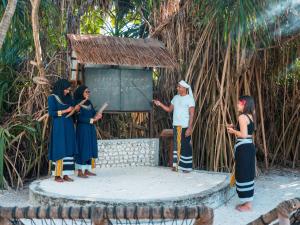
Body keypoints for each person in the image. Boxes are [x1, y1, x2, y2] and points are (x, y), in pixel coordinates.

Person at [153, 80, 195, 173]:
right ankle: (176, 166)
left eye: (179, 87)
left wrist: (189, 127)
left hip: (184, 126)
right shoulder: (175, 98)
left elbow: (192, 114)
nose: (177, 88)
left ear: (184, 88)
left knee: (185, 146)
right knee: (177, 145)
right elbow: (169, 109)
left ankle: (186, 168)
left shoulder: (190, 99)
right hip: (176, 125)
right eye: (178, 87)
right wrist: (159, 104)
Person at [227, 95, 256, 212]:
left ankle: (248, 206)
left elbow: (243, 134)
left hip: (243, 148)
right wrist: (234, 127)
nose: (237, 105)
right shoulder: (250, 116)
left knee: (243, 173)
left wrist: (233, 131)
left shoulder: (242, 117)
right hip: (248, 147)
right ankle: (248, 202)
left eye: (239, 103)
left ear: (244, 104)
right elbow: (247, 131)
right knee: (247, 172)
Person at [48, 79, 79, 182]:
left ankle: (66, 174)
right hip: (59, 126)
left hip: (69, 125)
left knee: (68, 147)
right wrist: (65, 110)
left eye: (69, 90)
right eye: (66, 89)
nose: (67, 91)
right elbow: (52, 113)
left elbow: (73, 109)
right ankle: (57, 175)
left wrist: (76, 109)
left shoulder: (69, 98)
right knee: (60, 147)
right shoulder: (52, 98)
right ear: (61, 88)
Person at [74, 85, 102, 178]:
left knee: (90, 147)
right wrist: (91, 120)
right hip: (82, 129)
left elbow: (93, 113)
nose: (88, 93)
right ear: (81, 92)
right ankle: (79, 171)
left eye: (89, 92)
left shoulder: (89, 102)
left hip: (90, 128)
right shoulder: (77, 103)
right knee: (82, 148)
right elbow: (79, 118)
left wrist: (97, 116)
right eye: (86, 92)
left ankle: (86, 170)